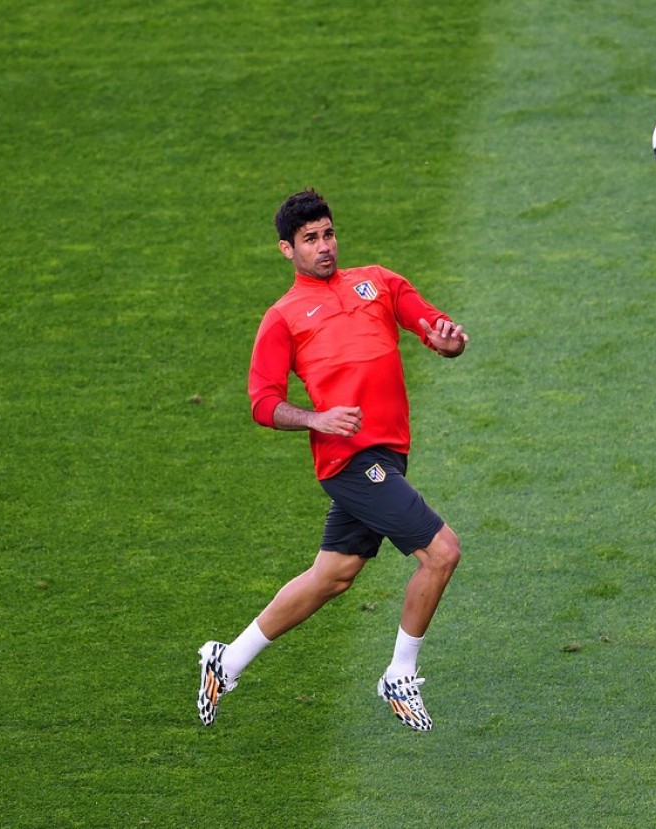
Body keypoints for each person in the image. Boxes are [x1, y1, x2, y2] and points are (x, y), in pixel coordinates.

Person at [197, 188, 469, 731]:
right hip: (349, 459)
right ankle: (399, 674)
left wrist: (448, 341)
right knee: (442, 553)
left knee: (334, 575)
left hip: (389, 451)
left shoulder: (379, 282)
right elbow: (263, 402)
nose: (324, 246)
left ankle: (226, 660)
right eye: (310, 239)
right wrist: (316, 419)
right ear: (287, 249)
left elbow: (435, 329)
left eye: (328, 234)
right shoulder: (283, 317)